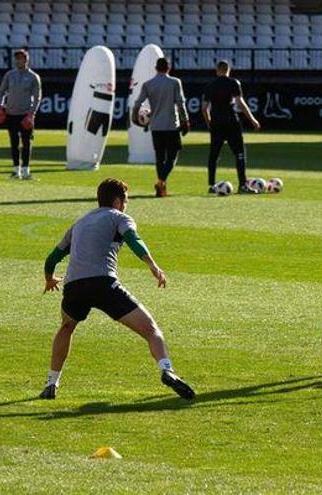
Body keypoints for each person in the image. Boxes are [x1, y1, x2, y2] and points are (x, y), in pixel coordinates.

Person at [40, 178, 194, 399]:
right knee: (151, 330)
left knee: (66, 327)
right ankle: (167, 369)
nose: (126, 205)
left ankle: (51, 383)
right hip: (104, 283)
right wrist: (152, 264)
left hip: (74, 286)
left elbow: (52, 258)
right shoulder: (119, 217)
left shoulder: (79, 223)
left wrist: (49, 279)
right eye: (126, 201)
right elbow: (134, 239)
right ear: (116, 201)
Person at [130, 58, 189, 198]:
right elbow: (180, 103)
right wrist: (185, 120)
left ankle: (161, 185)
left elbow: (138, 103)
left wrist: (134, 117)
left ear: (155, 68)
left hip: (156, 126)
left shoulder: (148, 84)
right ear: (168, 68)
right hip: (171, 125)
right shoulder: (174, 82)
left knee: (159, 157)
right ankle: (161, 181)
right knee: (172, 156)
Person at [202, 60, 261, 194]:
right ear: (229, 70)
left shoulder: (210, 85)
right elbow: (240, 103)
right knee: (239, 152)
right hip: (231, 121)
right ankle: (242, 185)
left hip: (216, 121)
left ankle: (211, 185)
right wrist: (252, 119)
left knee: (214, 154)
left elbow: (204, 108)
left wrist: (209, 122)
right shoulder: (234, 83)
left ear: (217, 70)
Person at [0, 49, 41, 180]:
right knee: (14, 142)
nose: (19, 61)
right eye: (17, 58)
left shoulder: (33, 77)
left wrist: (32, 113)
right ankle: (16, 170)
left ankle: (26, 170)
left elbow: (37, 97)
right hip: (11, 113)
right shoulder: (9, 75)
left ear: (26, 60)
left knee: (27, 143)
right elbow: (1, 92)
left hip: (25, 114)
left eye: (21, 58)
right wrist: (0, 107)